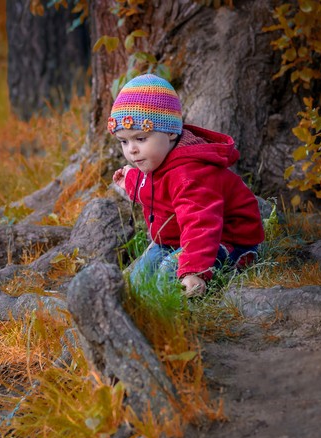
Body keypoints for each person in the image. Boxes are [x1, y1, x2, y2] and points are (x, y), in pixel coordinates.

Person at [109, 74, 264, 297]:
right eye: (124, 141)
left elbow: (200, 221)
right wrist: (131, 181)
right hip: (177, 238)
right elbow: (156, 189)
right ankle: (140, 306)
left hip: (224, 237)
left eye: (140, 139)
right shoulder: (155, 160)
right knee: (140, 275)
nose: (131, 150)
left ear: (171, 132)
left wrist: (194, 271)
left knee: (169, 273)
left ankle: (179, 310)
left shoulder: (190, 173)